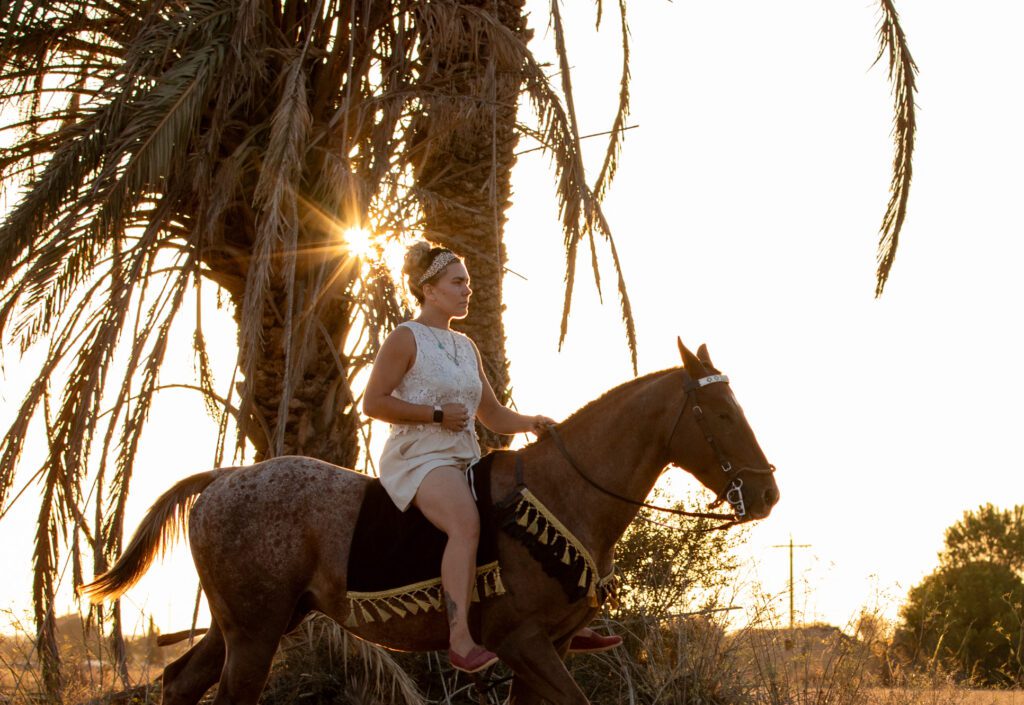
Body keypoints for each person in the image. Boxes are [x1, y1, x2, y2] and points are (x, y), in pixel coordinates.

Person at [363, 242, 618, 673]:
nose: (467, 290)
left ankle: (560, 621)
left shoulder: (465, 347)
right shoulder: (406, 337)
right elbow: (373, 402)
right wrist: (436, 414)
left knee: (523, 514)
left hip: (464, 457)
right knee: (465, 523)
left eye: (468, 283)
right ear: (429, 289)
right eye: (457, 282)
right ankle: (460, 638)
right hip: (419, 458)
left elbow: (493, 415)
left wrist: (532, 423)